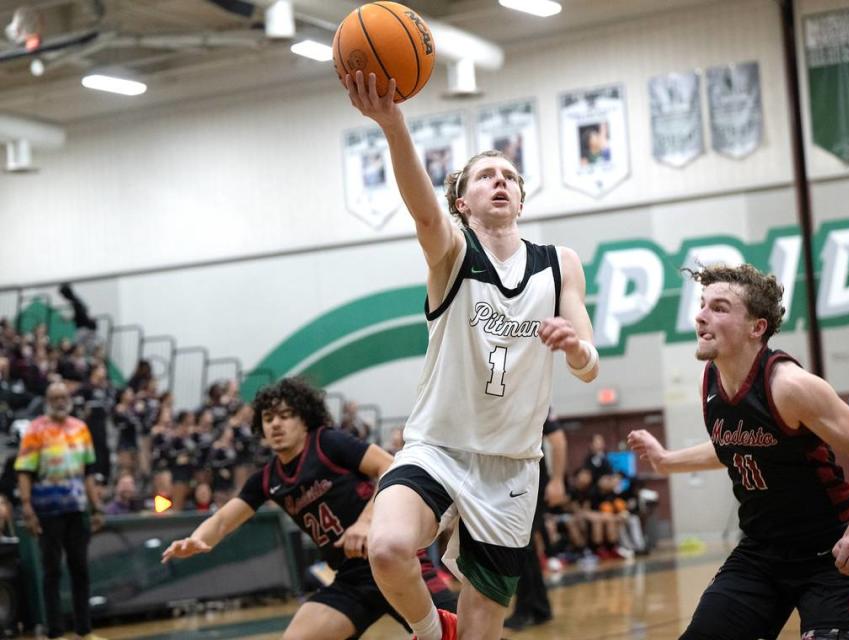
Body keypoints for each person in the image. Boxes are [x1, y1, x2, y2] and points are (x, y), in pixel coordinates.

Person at [343, 70, 600, 640]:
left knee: (486, 624)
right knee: (387, 548)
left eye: (509, 176)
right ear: (464, 200)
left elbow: (589, 364)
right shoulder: (451, 252)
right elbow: (424, 212)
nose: (500, 182)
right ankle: (432, 631)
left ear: (522, 198)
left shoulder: (561, 263)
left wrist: (575, 347)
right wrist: (393, 125)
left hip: (510, 464)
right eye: (486, 176)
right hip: (437, 446)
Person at [627, 264, 849, 640]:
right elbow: (733, 446)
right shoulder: (711, 381)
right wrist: (668, 461)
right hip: (760, 553)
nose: (701, 315)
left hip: (826, 555)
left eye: (719, 308)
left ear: (757, 327)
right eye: (702, 305)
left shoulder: (790, 386)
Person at [161, 378, 457, 640]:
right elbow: (225, 519)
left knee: (462, 634)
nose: (276, 424)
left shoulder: (328, 442)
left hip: (391, 562)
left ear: (304, 420)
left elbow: (390, 468)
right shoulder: (268, 478)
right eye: (268, 417)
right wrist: (199, 539)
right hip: (351, 578)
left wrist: (367, 521)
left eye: (286, 415)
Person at [15, 381, 106, 640]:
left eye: (63, 396)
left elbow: (88, 473)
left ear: (69, 399)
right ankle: (55, 633)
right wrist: (27, 508)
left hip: (77, 510)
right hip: (47, 511)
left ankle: (84, 631)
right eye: (54, 397)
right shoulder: (35, 430)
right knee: (52, 571)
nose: (59, 401)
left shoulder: (81, 429)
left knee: (80, 569)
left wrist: (96, 507)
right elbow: (24, 471)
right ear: (46, 400)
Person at [504, 410, 567, 630]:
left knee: (522, 545)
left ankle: (526, 610)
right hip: (511, 480)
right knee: (525, 546)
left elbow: (558, 441)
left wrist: (558, 481)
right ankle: (540, 608)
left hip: (530, 481)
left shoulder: (536, 396)